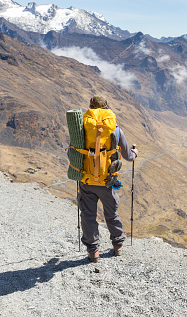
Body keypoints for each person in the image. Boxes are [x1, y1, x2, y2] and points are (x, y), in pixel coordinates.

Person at [70, 95, 138, 263]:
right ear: (107, 108)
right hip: (107, 181)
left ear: (90, 109)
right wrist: (135, 153)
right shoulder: (115, 129)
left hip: (86, 181)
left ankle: (93, 252)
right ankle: (118, 246)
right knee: (111, 213)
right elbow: (128, 156)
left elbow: (71, 153)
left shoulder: (81, 130)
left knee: (88, 215)